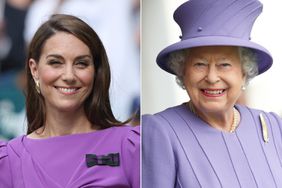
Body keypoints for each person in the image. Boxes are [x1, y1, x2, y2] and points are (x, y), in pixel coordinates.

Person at [142, 0, 282, 187]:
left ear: (244, 72)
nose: (212, 77)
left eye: (224, 64)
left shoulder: (272, 127)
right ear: (183, 71)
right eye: (200, 64)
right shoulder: (159, 132)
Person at [0, 14, 140, 188]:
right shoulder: (9, 160)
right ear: (34, 69)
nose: (69, 76)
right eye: (56, 62)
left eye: (81, 64)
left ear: (96, 71)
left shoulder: (131, 146)